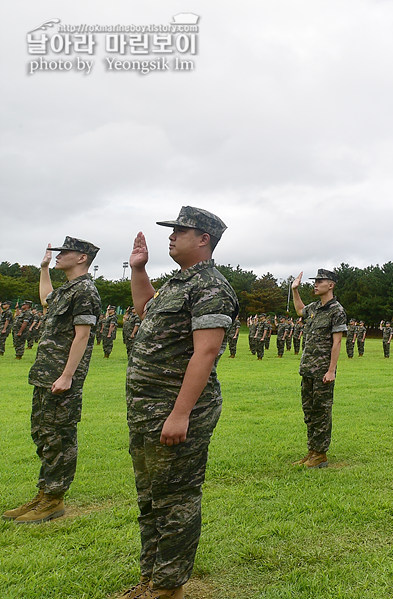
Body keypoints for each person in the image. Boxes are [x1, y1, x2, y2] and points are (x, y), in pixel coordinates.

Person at [122, 206, 238, 599]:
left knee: (176, 502)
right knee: (151, 499)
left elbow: (205, 353)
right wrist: (139, 271)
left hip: (176, 412)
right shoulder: (179, 282)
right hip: (147, 410)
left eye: (180, 231)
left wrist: (180, 414)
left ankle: (169, 588)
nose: (171, 236)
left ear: (204, 239)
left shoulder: (211, 287)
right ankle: (151, 581)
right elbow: (144, 310)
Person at [2, 238, 101, 525]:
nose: (58, 256)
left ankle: (54, 499)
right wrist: (43, 268)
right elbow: (47, 299)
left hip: (61, 377)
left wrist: (68, 375)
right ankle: (45, 492)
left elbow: (82, 335)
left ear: (82, 257)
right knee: (44, 434)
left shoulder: (85, 290)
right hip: (47, 374)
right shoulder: (69, 289)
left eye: (64, 253)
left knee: (59, 436)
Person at [291, 269, 346, 469]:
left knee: (322, 411)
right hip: (307, 369)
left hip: (323, 371)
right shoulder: (314, 307)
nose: (315, 284)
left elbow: (337, 343)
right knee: (309, 411)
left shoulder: (336, 311)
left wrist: (331, 370)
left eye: (320, 281)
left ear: (330, 285)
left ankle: (321, 454)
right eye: (315, 281)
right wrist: (295, 291)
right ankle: (312, 451)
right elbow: (299, 311)